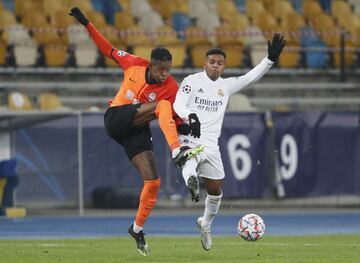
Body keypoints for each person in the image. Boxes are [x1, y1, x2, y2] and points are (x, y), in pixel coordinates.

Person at [69, 7, 203, 256]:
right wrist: (87, 24)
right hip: (117, 117)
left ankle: (137, 228)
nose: (166, 74)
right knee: (161, 105)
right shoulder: (133, 64)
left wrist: (187, 123)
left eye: (169, 69)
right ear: (151, 65)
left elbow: (173, 116)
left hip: (136, 128)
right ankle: (176, 152)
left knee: (153, 181)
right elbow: (107, 48)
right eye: (161, 69)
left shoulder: (171, 88)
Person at [173, 33, 286, 251]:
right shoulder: (191, 81)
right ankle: (191, 180)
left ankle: (206, 224)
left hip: (211, 146)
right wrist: (190, 115)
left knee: (216, 191)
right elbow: (178, 104)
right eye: (212, 62)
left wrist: (269, 60)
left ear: (224, 67)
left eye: (219, 63)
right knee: (189, 157)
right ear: (204, 63)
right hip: (190, 137)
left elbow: (251, 77)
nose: (215, 66)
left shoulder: (226, 86)